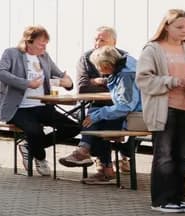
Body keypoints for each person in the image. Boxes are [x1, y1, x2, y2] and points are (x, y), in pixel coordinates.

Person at [139, 9, 185, 213]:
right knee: (164, 155)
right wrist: (173, 81)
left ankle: (178, 198)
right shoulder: (152, 49)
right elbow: (143, 79)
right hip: (163, 109)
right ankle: (162, 200)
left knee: (182, 156)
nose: (184, 31)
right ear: (166, 26)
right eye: (179, 27)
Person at [0, 25, 78, 175]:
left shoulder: (44, 56)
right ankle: (40, 157)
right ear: (28, 42)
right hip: (18, 108)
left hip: (41, 105)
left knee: (73, 127)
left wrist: (68, 83)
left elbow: (60, 75)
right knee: (35, 131)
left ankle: (30, 146)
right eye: (41, 44)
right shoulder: (12, 53)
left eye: (46, 44)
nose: (44, 47)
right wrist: (26, 83)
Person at [59, 47, 141, 182]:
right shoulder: (124, 69)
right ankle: (96, 161)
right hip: (133, 114)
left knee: (95, 123)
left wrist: (98, 114)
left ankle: (89, 156)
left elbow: (126, 106)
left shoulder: (126, 75)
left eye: (98, 66)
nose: (97, 69)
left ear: (106, 65)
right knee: (95, 116)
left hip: (135, 118)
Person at [76, 26, 120, 92]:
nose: (98, 44)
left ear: (114, 42)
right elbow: (82, 88)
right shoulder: (85, 58)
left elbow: (127, 86)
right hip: (92, 99)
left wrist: (96, 81)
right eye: (96, 40)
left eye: (102, 40)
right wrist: (111, 84)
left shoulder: (123, 57)